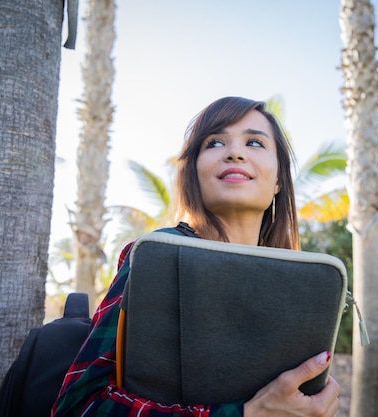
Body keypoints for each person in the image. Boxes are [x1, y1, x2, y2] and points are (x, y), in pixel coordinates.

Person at [52, 96, 342, 417]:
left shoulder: (299, 285)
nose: (235, 152)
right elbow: (78, 406)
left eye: (255, 143)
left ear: (277, 181)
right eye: (215, 142)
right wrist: (243, 414)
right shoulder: (156, 255)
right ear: (193, 170)